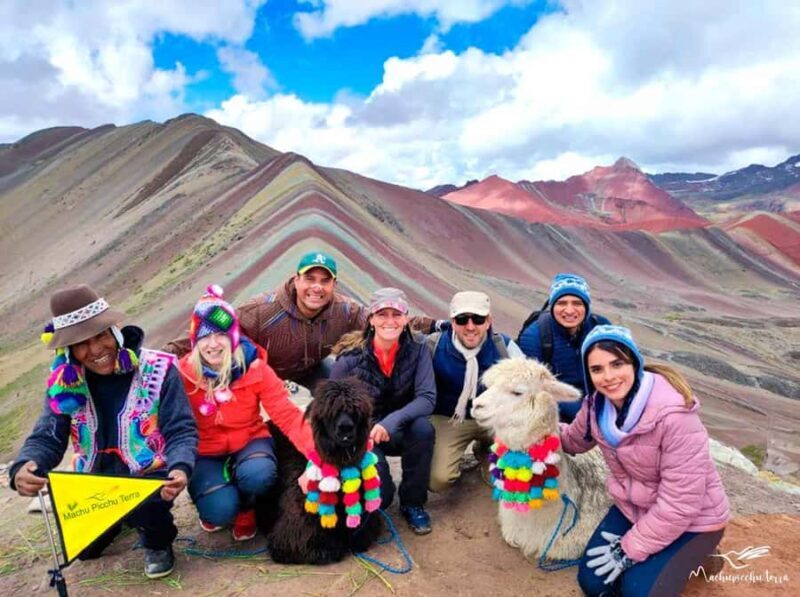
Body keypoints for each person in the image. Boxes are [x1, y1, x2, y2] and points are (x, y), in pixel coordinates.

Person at [10, 284, 197, 579]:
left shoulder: (159, 369)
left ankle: (158, 541)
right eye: (81, 343)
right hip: (94, 479)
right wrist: (26, 465)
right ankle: (120, 518)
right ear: (68, 349)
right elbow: (49, 434)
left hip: (148, 475)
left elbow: (181, 429)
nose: (96, 350)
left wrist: (180, 467)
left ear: (115, 331)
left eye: (100, 335)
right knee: (86, 551)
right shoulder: (64, 383)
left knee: (148, 510)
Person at [560, 325, 729, 596]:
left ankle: (701, 554)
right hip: (635, 507)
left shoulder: (674, 416)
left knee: (637, 591)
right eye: (597, 369)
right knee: (592, 583)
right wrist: (534, 426)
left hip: (693, 521)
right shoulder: (595, 407)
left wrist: (628, 550)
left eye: (617, 364)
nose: (609, 377)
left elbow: (681, 504)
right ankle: (670, 558)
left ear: (634, 362)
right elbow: (571, 440)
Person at [164, 252, 435, 387]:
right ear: (296, 280)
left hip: (312, 369)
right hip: (260, 373)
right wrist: (157, 359)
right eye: (310, 279)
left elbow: (386, 321)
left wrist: (435, 326)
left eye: (324, 281)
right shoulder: (260, 310)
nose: (316, 287)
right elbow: (207, 334)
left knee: (340, 390)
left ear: (334, 284)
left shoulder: (346, 310)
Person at [177, 286, 314, 541]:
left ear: (234, 336)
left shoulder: (255, 368)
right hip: (204, 451)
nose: (214, 344)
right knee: (219, 511)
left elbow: (287, 415)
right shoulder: (181, 376)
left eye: (221, 335)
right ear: (195, 342)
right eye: (205, 337)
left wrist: (318, 457)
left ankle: (247, 508)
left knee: (260, 474)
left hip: (249, 439)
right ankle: (216, 503)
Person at [330, 288, 436, 535]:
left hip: (400, 428)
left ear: (406, 318)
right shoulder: (349, 359)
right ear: (371, 319)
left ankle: (413, 503)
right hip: (364, 435)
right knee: (383, 497)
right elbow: (333, 408)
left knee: (423, 429)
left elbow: (427, 398)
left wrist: (390, 423)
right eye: (382, 314)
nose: (390, 321)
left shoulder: (418, 349)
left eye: (396, 314)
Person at [427, 291, 524, 492]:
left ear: (488, 321)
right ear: (452, 321)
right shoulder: (433, 346)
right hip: (450, 418)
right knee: (438, 481)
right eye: (462, 319)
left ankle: (486, 448)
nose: (470, 327)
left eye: (478, 319)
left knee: (518, 471)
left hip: (495, 418)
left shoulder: (504, 347)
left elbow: (526, 386)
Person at [518, 273, 610, 422]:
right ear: (552, 305)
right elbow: (535, 386)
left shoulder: (601, 327)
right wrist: (583, 414)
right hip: (553, 413)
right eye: (562, 303)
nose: (569, 311)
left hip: (599, 407)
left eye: (577, 303)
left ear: (586, 306)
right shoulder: (535, 336)